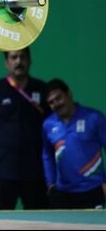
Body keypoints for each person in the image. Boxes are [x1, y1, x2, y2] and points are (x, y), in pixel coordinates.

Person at [0, 47, 51, 210]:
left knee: (42, 224)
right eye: (13, 58)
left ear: (30, 60)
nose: (18, 61)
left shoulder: (43, 90)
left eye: (22, 57)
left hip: (35, 172)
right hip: (2, 171)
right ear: (6, 63)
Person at [42, 78, 106, 209]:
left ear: (69, 94)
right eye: (51, 102)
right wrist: (50, 184)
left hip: (92, 191)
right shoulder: (48, 124)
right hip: (62, 194)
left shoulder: (94, 118)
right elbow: (47, 154)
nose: (56, 104)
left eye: (58, 98)